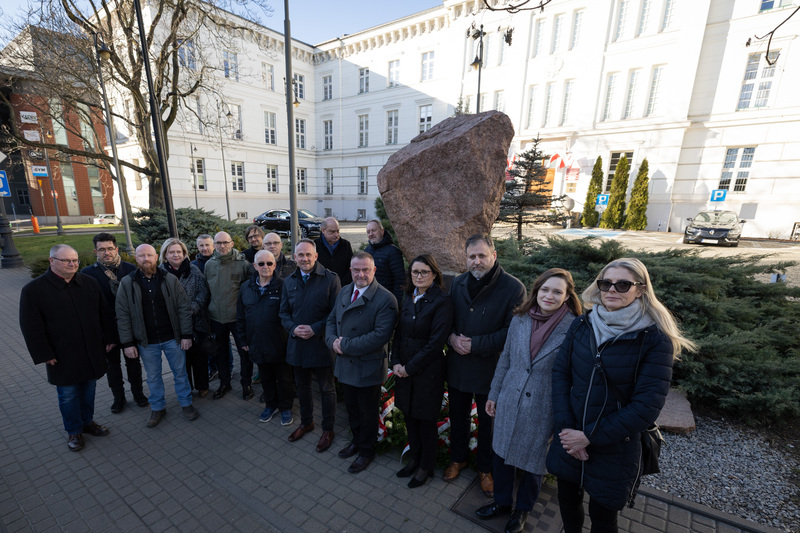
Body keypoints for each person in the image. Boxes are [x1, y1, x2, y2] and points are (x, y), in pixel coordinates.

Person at [546, 258, 695, 533]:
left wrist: (589, 437)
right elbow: (560, 374)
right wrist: (567, 429)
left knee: (603, 519)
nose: (612, 290)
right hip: (570, 438)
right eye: (606, 283)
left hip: (613, 447)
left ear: (640, 289)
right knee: (567, 504)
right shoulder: (583, 324)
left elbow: (646, 406)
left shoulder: (654, 340)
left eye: (623, 284)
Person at [476, 268, 582, 533]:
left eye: (557, 291)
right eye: (545, 289)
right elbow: (506, 359)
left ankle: (522, 510)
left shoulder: (575, 327)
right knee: (500, 455)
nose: (549, 295)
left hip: (544, 407)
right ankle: (502, 503)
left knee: (534, 462)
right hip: (510, 398)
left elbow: (574, 375)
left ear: (567, 296)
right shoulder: (520, 318)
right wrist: (494, 393)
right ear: (537, 290)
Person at [445, 234, 526, 498]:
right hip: (457, 364)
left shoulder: (513, 288)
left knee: (487, 422)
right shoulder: (458, 283)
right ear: (465, 258)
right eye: (471, 256)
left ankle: (486, 469)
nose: (477, 261)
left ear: (494, 254)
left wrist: (475, 344)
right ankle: (458, 458)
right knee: (457, 415)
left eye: (482, 255)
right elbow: (448, 320)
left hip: (490, 369)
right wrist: (451, 337)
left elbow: (511, 332)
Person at [20, 244, 114, 452]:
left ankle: (87, 422)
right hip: (61, 354)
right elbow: (30, 326)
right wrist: (44, 353)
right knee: (68, 394)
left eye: (75, 260)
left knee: (89, 389)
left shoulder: (89, 283)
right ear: (51, 261)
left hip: (91, 349)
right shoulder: (34, 290)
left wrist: (109, 338)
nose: (72, 264)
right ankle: (74, 430)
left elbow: (104, 313)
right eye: (66, 261)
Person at [327, 252, 398, 474]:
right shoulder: (346, 291)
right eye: (356, 270)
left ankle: (367, 451)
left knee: (367, 413)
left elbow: (380, 336)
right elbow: (331, 320)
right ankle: (357, 442)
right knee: (352, 409)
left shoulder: (386, 299)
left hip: (367, 366)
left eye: (366, 269)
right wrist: (332, 342)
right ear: (350, 271)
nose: (361, 274)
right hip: (346, 364)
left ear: (374, 270)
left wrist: (344, 345)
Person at [116, 244, 199, 428]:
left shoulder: (169, 279)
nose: (146, 259)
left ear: (156, 257)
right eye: (141, 256)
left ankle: (186, 404)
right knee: (153, 376)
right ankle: (158, 407)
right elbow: (122, 315)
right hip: (146, 342)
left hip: (172, 338)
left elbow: (183, 308)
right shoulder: (127, 283)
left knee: (180, 373)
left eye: (149, 255)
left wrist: (186, 335)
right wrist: (128, 343)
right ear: (135, 259)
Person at [390, 254, 453, 488]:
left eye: (424, 272)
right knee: (409, 416)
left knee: (425, 420)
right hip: (403, 368)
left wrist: (409, 368)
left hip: (427, 371)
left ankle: (426, 466)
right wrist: (395, 361)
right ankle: (414, 458)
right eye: (415, 272)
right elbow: (399, 332)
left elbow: (436, 343)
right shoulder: (409, 295)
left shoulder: (442, 301)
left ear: (434, 275)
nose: (418, 276)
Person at [279, 239, 341, 452]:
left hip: (321, 344)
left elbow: (336, 314)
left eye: (308, 255)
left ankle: (328, 428)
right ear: (294, 258)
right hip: (297, 344)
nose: (304, 259)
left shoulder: (331, 279)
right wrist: (293, 328)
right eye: (300, 255)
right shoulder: (289, 281)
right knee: (302, 386)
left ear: (316, 256)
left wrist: (315, 328)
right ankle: (307, 422)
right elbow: (283, 313)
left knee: (326, 388)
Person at [81, 233, 147, 413]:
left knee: (133, 363)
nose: (106, 253)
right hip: (106, 330)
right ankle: (119, 398)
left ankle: (139, 394)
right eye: (101, 249)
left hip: (130, 328)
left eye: (110, 248)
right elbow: (88, 308)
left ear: (116, 249)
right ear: (96, 251)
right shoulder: (88, 274)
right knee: (112, 366)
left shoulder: (130, 269)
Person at [237, 250, 295, 426]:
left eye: (269, 263)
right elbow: (240, 316)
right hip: (257, 343)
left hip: (280, 343)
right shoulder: (246, 287)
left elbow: (291, 315)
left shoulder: (284, 286)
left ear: (275, 265)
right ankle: (271, 405)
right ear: (255, 266)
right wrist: (243, 340)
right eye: (261, 264)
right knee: (266, 378)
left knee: (284, 379)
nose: (265, 267)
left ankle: (285, 408)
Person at [205, 231, 255, 400]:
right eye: (218, 243)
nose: (222, 246)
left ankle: (246, 383)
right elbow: (207, 291)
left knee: (244, 353)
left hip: (237, 318)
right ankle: (224, 383)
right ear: (214, 245)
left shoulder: (243, 264)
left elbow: (249, 292)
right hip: (216, 317)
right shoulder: (209, 265)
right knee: (221, 354)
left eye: (225, 242)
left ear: (232, 243)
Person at [160, 238, 211, 398]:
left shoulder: (194, 270)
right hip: (174, 325)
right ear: (165, 255)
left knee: (199, 358)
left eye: (179, 252)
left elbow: (204, 292)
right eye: (172, 252)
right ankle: (186, 389)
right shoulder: (160, 273)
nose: (176, 255)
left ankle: (202, 386)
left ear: (184, 254)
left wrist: (193, 308)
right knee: (181, 361)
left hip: (196, 322)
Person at [364, 219, 405, 303]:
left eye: (374, 230)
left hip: (386, 300)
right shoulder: (367, 250)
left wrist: (395, 303)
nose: (371, 234)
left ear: (382, 231)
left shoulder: (393, 251)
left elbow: (400, 280)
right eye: (368, 232)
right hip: (369, 298)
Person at [315, 217, 353, 286]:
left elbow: (351, 268)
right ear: (323, 230)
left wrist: (340, 285)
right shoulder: (314, 246)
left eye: (338, 231)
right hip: (320, 289)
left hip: (342, 288)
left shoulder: (346, 245)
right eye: (332, 232)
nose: (336, 235)